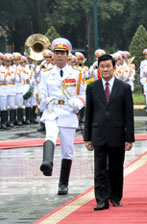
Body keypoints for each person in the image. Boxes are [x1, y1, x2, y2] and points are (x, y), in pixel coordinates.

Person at [84, 54, 135, 211]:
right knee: (99, 168)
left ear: (114, 68)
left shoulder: (124, 88)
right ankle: (101, 199)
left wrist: (129, 138)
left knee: (116, 167)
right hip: (98, 132)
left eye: (108, 66)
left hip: (117, 133)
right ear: (98, 69)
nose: (105, 69)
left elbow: (129, 115)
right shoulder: (92, 87)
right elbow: (89, 113)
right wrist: (87, 137)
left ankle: (115, 196)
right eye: (102, 66)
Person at [38, 38, 86, 195]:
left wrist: (77, 103)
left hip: (68, 112)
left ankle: (63, 183)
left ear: (68, 55)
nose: (59, 56)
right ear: (53, 55)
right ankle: (47, 163)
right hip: (52, 110)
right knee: (50, 134)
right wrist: (46, 101)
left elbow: (83, 94)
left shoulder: (77, 74)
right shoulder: (46, 74)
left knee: (68, 148)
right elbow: (42, 93)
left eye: (62, 53)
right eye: (56, 53)